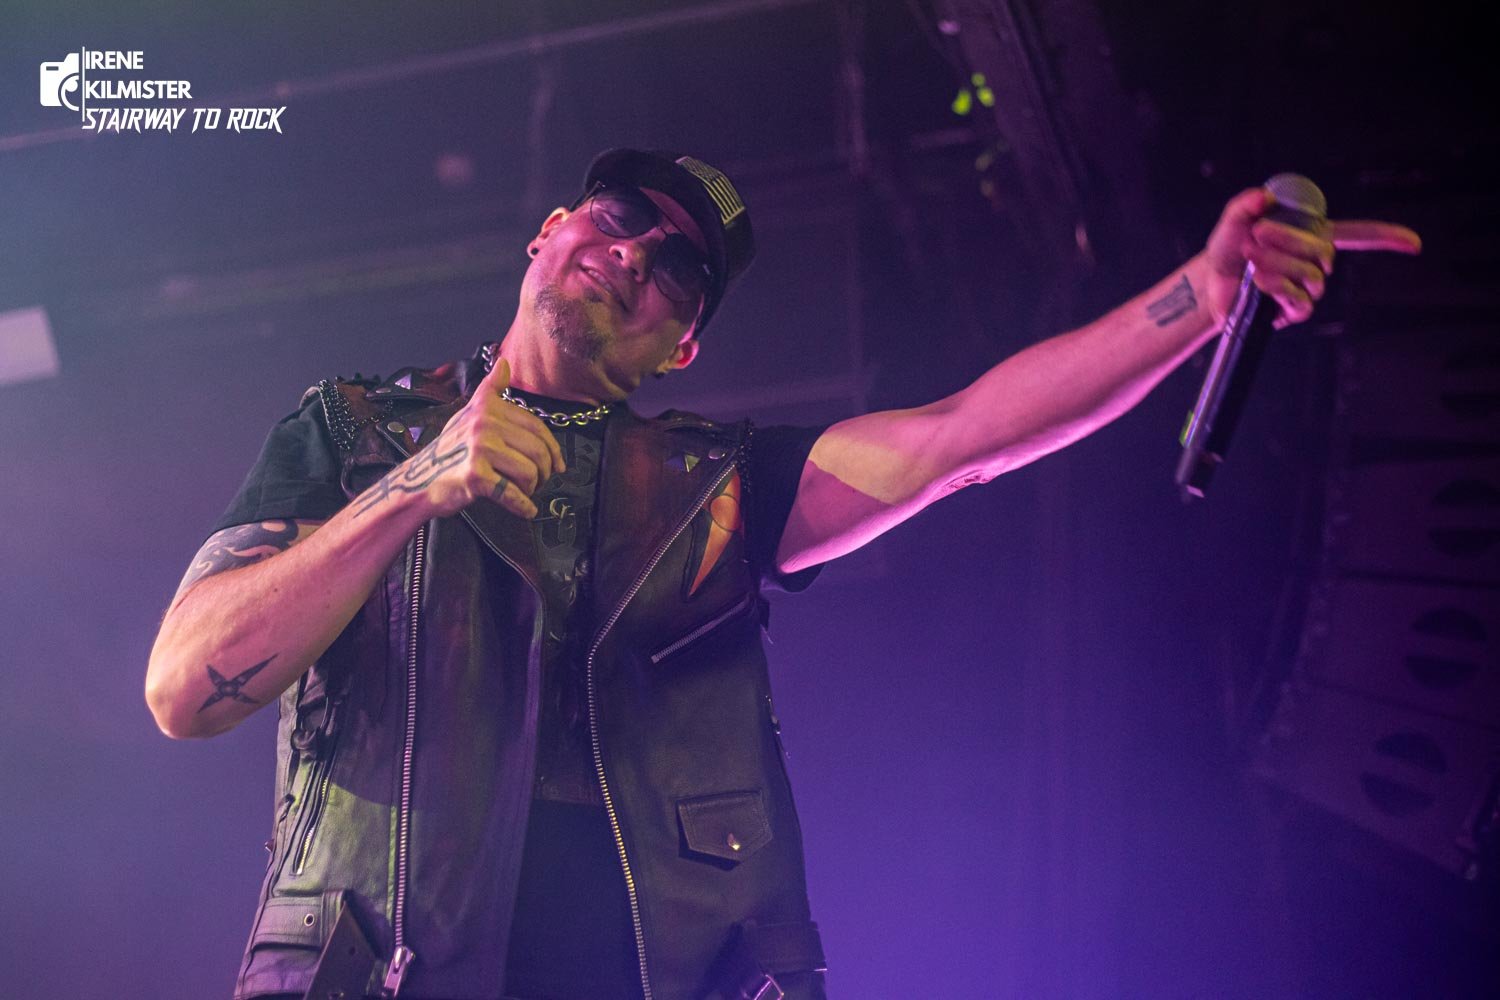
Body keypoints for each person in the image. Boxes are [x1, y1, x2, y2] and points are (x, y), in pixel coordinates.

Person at [145, 149, 1420, 1000]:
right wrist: (413, 486)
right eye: (620, 217)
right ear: (548, 234)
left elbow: (961, 441)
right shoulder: (356, 432)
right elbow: (184, 685)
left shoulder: (716, 485)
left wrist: (1202, 294)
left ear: (683, 346)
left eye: (678, 268)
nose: (635, 256)